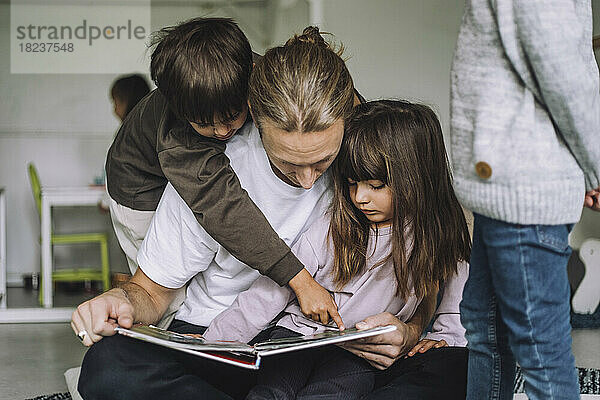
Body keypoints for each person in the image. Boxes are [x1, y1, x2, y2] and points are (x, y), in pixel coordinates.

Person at [75, 26, 357, 400]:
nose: (307, 181)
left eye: (322, 161)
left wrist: (413, 326)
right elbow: (152, 291)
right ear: (259, 112)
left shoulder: (360, 158)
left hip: (305, 346)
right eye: (288, 164)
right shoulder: (202, 172)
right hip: (218, 338)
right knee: (106, 368)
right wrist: (121, 301)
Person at [202, 100, 472, 400]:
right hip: (297, 337)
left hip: (358, 354)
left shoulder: (438, 232)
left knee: (334, 393)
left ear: (418, 178)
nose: (359, 197)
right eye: (352, 183)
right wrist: (214, 341)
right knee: (272, 391)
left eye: (375, 185)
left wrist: (445, 337)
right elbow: (269, 293)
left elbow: (456, 297)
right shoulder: (334, 224)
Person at [104, 18, 341, 327]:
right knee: (169, 295)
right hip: (138, 187)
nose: (222, 131)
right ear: (179, 109)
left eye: (232, 116)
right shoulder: (181, 138)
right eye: (204, 124)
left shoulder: (260, 73)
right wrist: (298, 278)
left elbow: (332, 97)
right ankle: (164, 350)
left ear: (249, 76)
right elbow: (223, 207)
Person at [450, 1, 600, 399]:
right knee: (485, 329)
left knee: (540, 350)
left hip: (521, 184)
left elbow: (565, 75)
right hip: (501, 186)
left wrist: (595, 164)